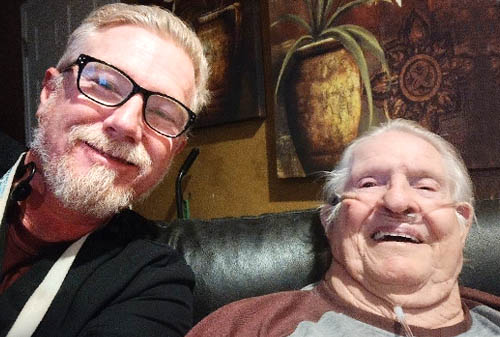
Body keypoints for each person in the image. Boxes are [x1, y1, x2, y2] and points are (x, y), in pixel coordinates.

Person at [0, 3, 209, 337]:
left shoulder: (153, 284)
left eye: (163, 113)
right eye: (104, 83)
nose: (127, 124)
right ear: (48, 93)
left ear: (174, 151)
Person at [186, 119, 500, 337]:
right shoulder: (246, 328)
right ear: (330, 220)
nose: (398, 200)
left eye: (426, 187)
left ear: (463, 223)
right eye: (368, 183)